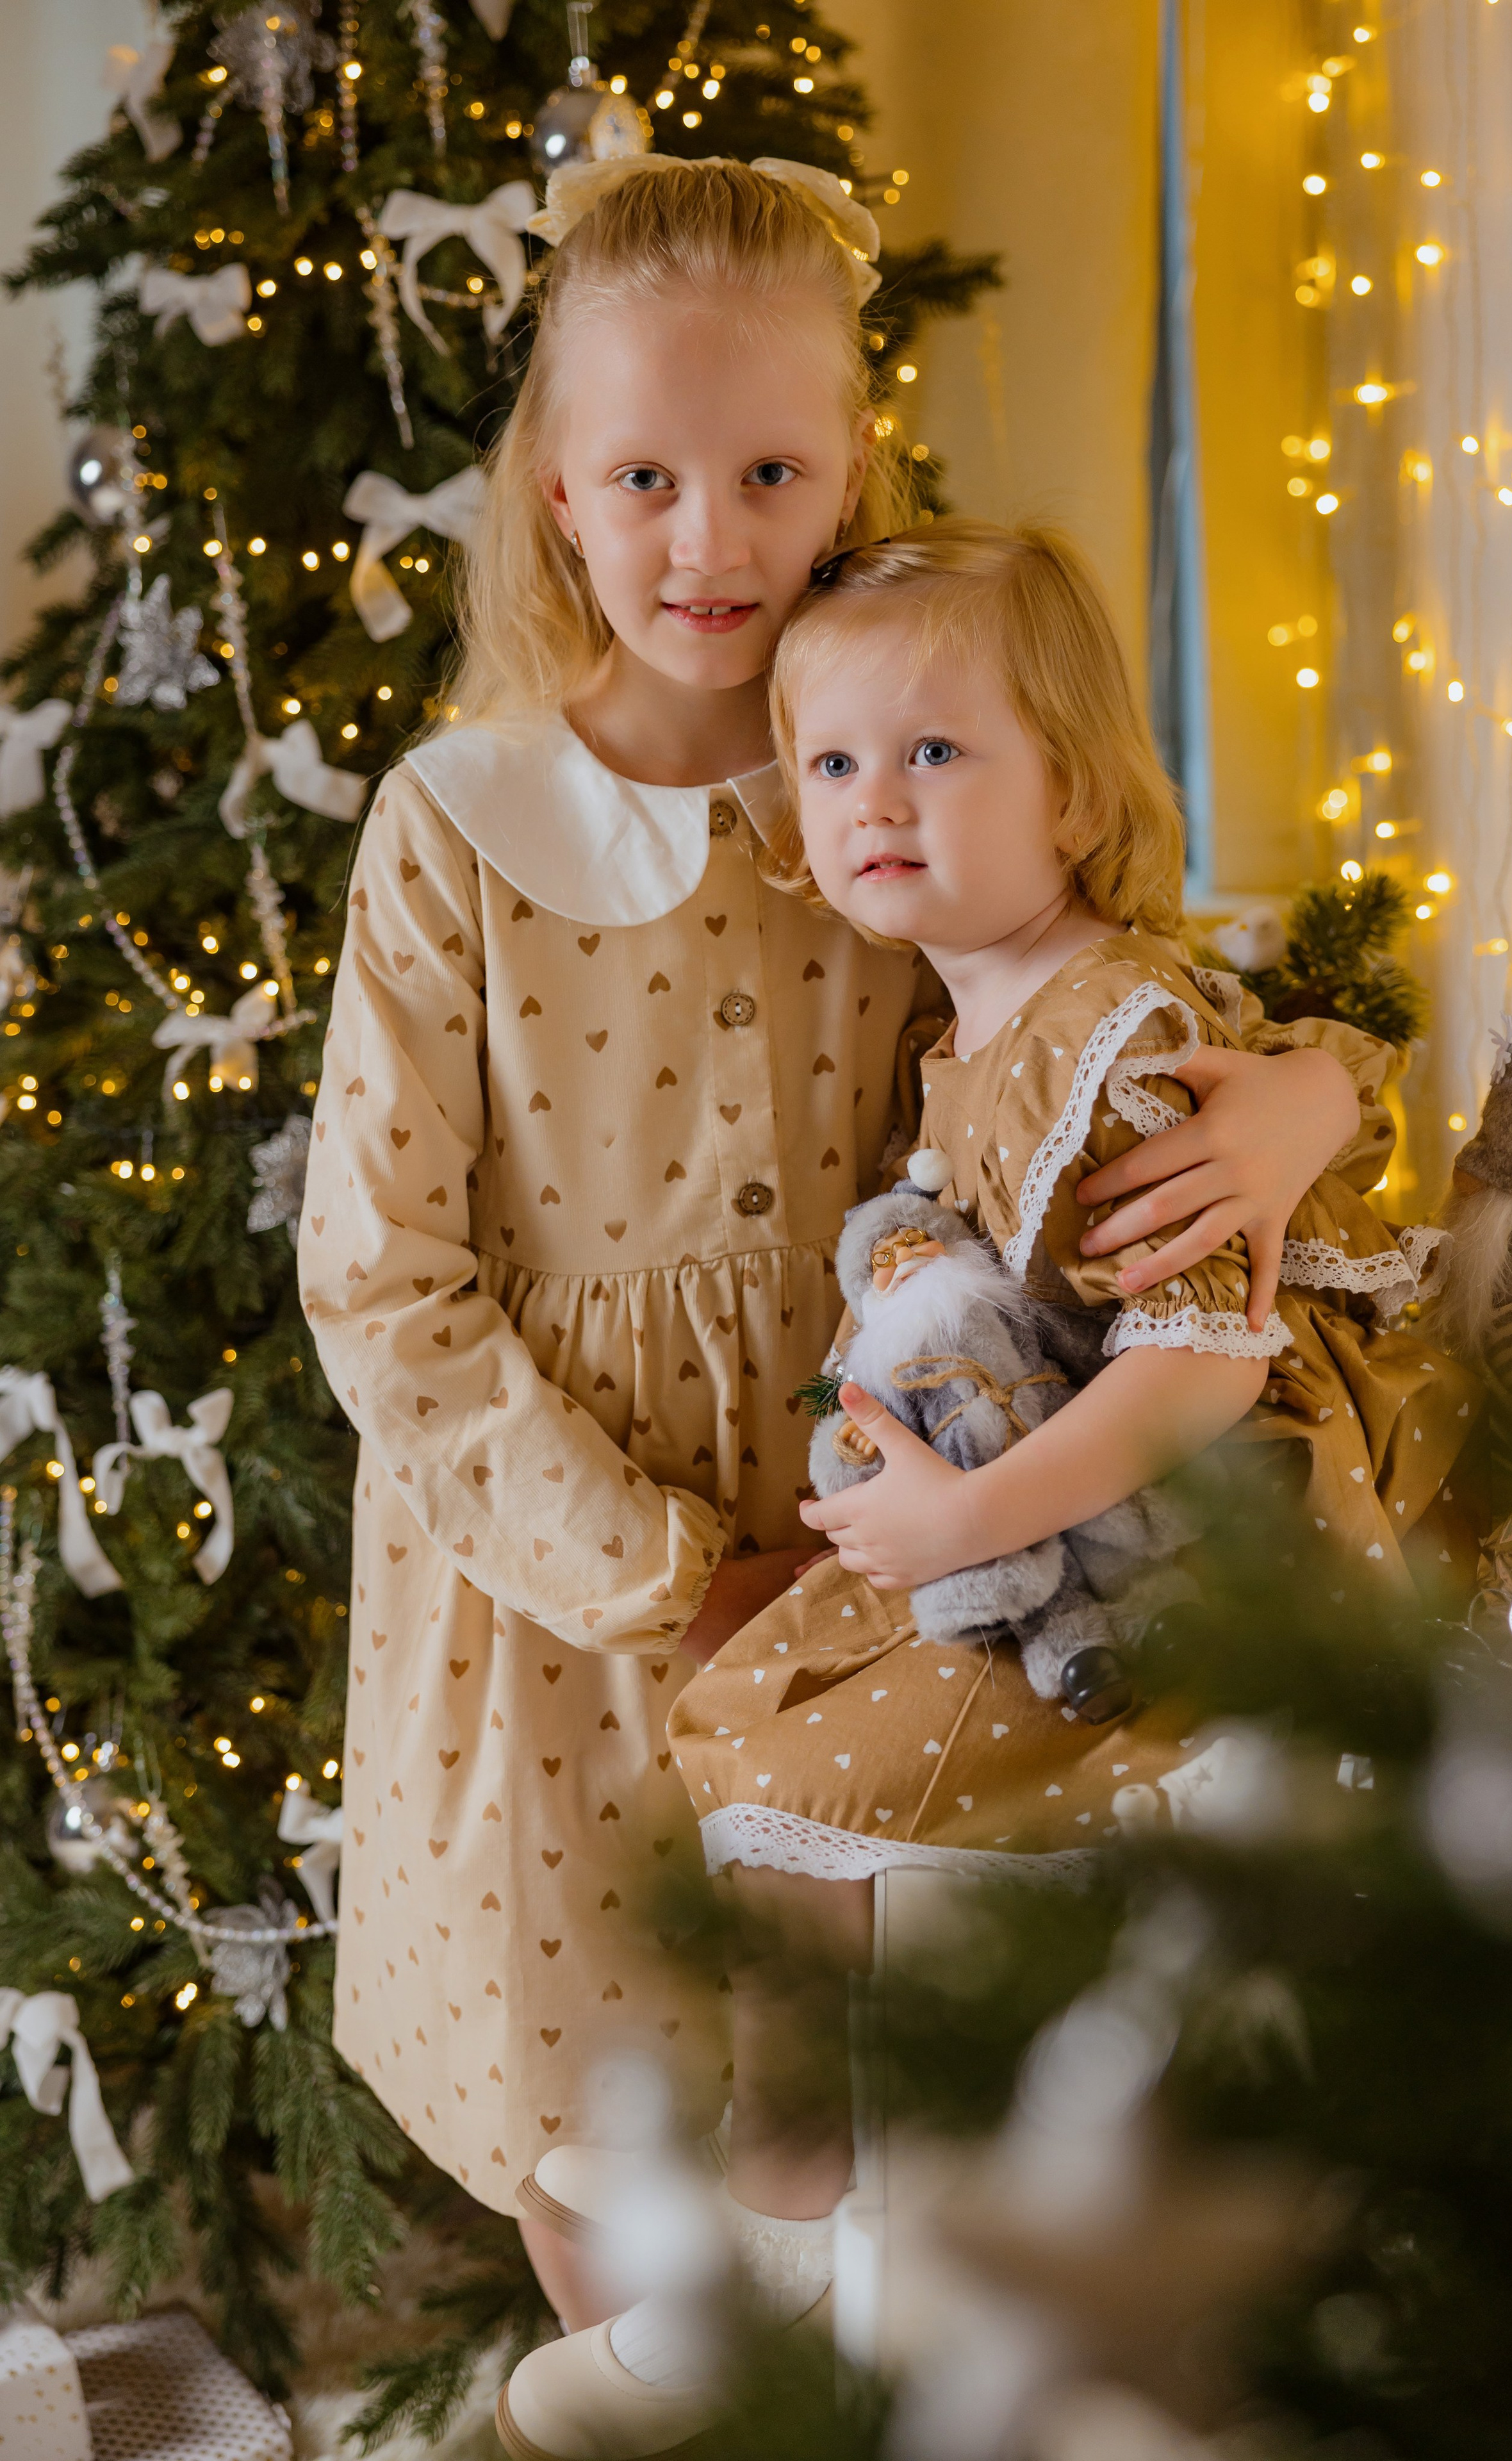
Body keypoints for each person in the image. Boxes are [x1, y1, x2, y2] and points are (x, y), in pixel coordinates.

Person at [297, 162, 1365, 2399]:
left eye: (772, 472)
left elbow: (1108, 1028)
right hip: (566, 1590)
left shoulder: (891, 772)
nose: (712, 537)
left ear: (852, 468)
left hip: (867, 1544)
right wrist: (654, 1568)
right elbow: (383, 1288)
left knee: (822, 2090)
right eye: (648, 479)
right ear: (560, 502)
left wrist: (1316, 1103)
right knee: (590, 2095)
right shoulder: (458, 825)